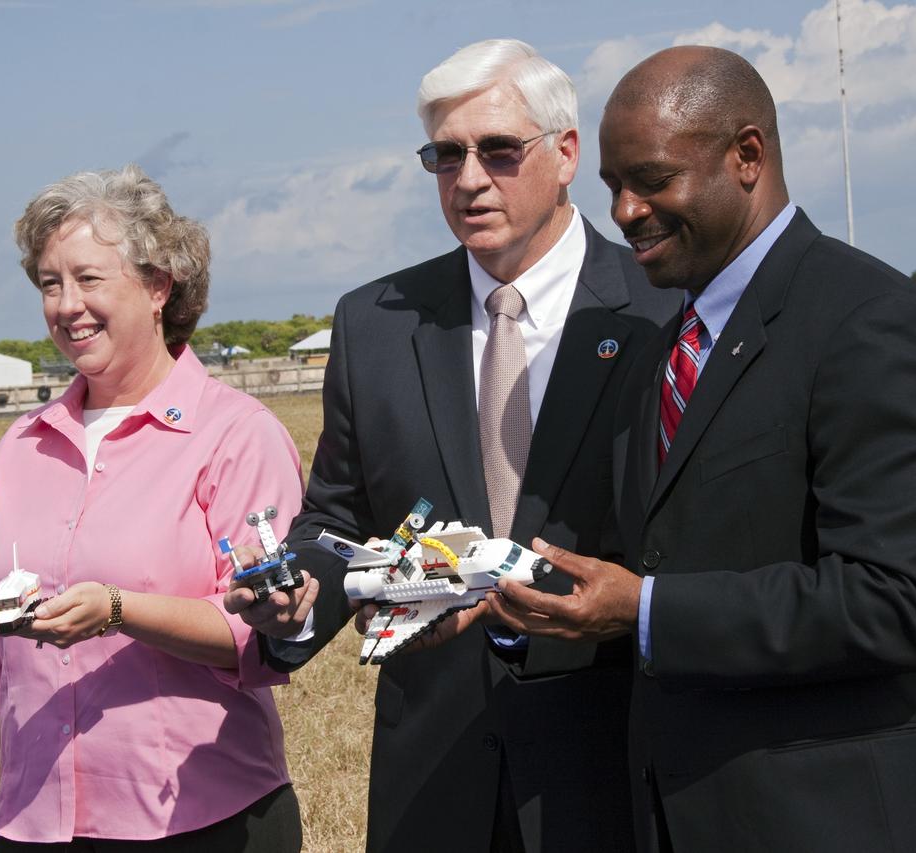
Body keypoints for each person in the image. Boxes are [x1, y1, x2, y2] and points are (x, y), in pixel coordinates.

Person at [487, 46, 916, 852]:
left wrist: (645, 607)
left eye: (651, 179)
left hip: (839, 822)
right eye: (612, 186)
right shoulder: (661, 349)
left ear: (748, 156)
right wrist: (521, 605)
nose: (623, 211)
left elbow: (896, 604)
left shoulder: (874, 325)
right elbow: (657, 555)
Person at [226, 39, 677, 853]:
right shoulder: (376, 322)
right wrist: (295, 603)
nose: (469, 179)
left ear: (567, 151)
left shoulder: (661, 309)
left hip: (618, 759)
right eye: (445, 155)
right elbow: (336, 516)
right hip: (434, 770)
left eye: (499, 151)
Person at [0, 165, 304, 852]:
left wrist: (118, 608)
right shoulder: (20, 448)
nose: (66, 304)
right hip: (36, 823)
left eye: (88, 278)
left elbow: (261, 636)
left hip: (201, 821)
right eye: (50, 282)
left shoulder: (236, 434)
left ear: (160, 285)